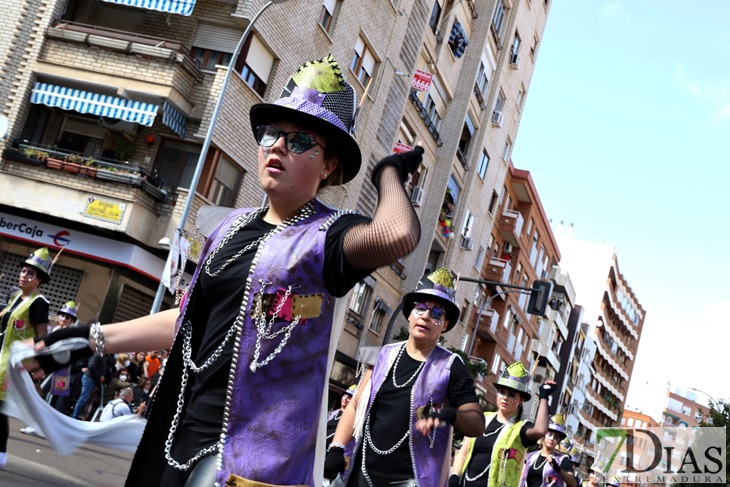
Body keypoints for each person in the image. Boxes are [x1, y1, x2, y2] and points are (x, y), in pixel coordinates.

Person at [29, 54, 422, 487]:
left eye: (300, 141)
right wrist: (90, 338)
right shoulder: (228, 228)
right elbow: (188, 319)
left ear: (329, 165)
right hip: (184, 435)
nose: (276, 146)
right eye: (272, 133)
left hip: (257, 460)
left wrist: (387, 173)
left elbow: (398, 235)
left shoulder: (330, 237)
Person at [325, 268, 485, 487]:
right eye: (420, 308)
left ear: (445, 324)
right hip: (363, 474)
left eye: (437, 313)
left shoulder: (450, 365)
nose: (426, 316)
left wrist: (450, 415)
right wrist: (336, 448)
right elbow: (354, 405)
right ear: (410, 315)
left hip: (413, 480)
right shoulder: (383, 355)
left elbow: (476, 423)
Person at [449, 362, 558, 487]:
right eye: (502, 392)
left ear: (521, 400)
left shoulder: (521, 428)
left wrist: (543, 396)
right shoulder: (482, 418)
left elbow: (540, 430)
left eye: (512, 395)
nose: (505, 397)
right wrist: (454, 476)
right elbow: (463, 453)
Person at [0, 247, 52, 469]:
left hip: (12, 362)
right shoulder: (14, 298)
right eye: (23, 271)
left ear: (39, 280)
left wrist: (38, 364)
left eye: (30, 274)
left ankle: (1, 453)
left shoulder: (39, 303)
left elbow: (42, 337)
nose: (24, 275)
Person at [22, 300, 79, 434]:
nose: (64, 319)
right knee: (38, 394)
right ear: (58, 316)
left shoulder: (70, 334)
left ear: (71, 320)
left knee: (50, 398)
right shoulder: (52, 329)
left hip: (60, 370)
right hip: (45, 367)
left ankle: (43, 427)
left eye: (67, 317)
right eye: (63, 316)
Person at [519, 414, 576, 487]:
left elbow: (573, 483)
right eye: (550, 434)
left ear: (559, 441)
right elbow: (522, 477)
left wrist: (556, 467)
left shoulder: (562, 459)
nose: (552, 438)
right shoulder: (531, 456)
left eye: (556, 437)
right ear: (543, 435)